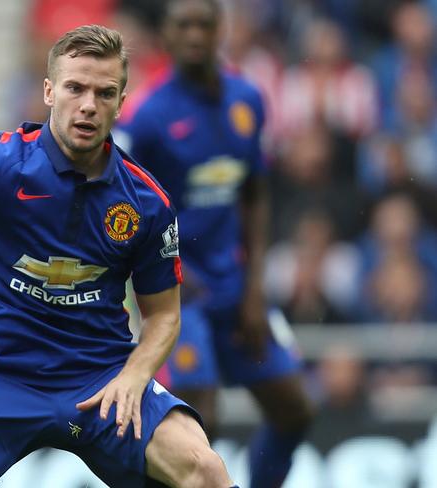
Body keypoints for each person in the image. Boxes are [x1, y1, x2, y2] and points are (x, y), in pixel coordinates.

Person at [0, 24, 239, 488]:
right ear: (50, 91)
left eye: (105, 92)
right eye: (75, 88)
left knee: (206, 470)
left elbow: (164, 317)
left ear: (121, 101)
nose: (89, 105)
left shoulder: (147, 202)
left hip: (101, 378)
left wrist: (134, 377)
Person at [115, 1, 314, 487]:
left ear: (219, 28)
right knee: (199, 425)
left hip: (237, 287)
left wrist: (254, 288)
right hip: (180, 293)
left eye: (204, 23)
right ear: (166, 33)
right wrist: (163, 275)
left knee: (296, 411)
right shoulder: (146, 116)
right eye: (184, 25)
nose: (196, 34)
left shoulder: (247, 99)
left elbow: (254, 192)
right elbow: (125, 207)